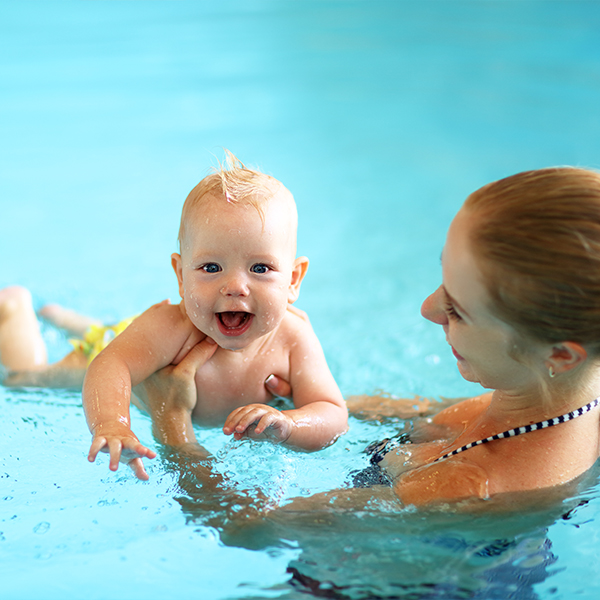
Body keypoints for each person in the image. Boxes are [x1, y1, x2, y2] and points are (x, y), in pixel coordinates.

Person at [143, 166, 600, 507]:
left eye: (457, 310)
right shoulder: (567, 394)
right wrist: (298, 409)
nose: (428, 309)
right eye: (443, 277)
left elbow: (247, 529)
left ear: (559, 355)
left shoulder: (463, 486)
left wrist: (172, 427)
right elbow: (433, 418)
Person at [0, 152, 348, 481]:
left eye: (260, 268)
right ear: (181, 276)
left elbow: (331, 412)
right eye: (211, 267)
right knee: (24, 378)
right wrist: (112, 421)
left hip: (138, 339)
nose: (235, 286)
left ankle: (66, 318)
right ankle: (15, 310)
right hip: (125, 344)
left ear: (293, 280)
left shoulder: (293, 336)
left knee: (114, 333)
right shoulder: (172, 328)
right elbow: (110, 365)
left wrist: (290, 424)